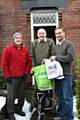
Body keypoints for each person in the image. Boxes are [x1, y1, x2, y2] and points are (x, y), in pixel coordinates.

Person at [1, 32, 32, 120]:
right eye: (17, 38)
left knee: (21, 95)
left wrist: (26, 73)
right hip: (11, 78)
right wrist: (7, 76)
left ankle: (19, 109)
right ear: (14, 39)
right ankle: (10, 112)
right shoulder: (8, 49)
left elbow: (29, 62)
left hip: (22, 77)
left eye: (20, 38)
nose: (18, 39)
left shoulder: (25, 50)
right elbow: (4, 63)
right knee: (11, 96)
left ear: (22, 39)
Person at [50, 27, 74, 120]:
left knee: (67, 98)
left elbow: (70, 57)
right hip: (57, 75)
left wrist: (56, 57)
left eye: (60, 33)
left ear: (64, 33)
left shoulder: (69, 44)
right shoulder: (56, 47)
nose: (58, 35)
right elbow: (54, 60)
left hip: (66, 75)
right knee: (60, 96)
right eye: (56, 33)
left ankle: (69, 117)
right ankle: (61, 115)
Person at [30, 28, 55, 112]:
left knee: (48, 87)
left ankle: (50, 104)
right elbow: (32, 56)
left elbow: (53, 54)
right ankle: (37, 104)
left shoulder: (50, 42)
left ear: (46, 34)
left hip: (48, 69)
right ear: (37, 35)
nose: (41, 35)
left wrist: (48, 61)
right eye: (39, 33)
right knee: (38, 87)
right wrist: (33, 66)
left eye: (43, 33)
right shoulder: (34, 43)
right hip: (38, 70)